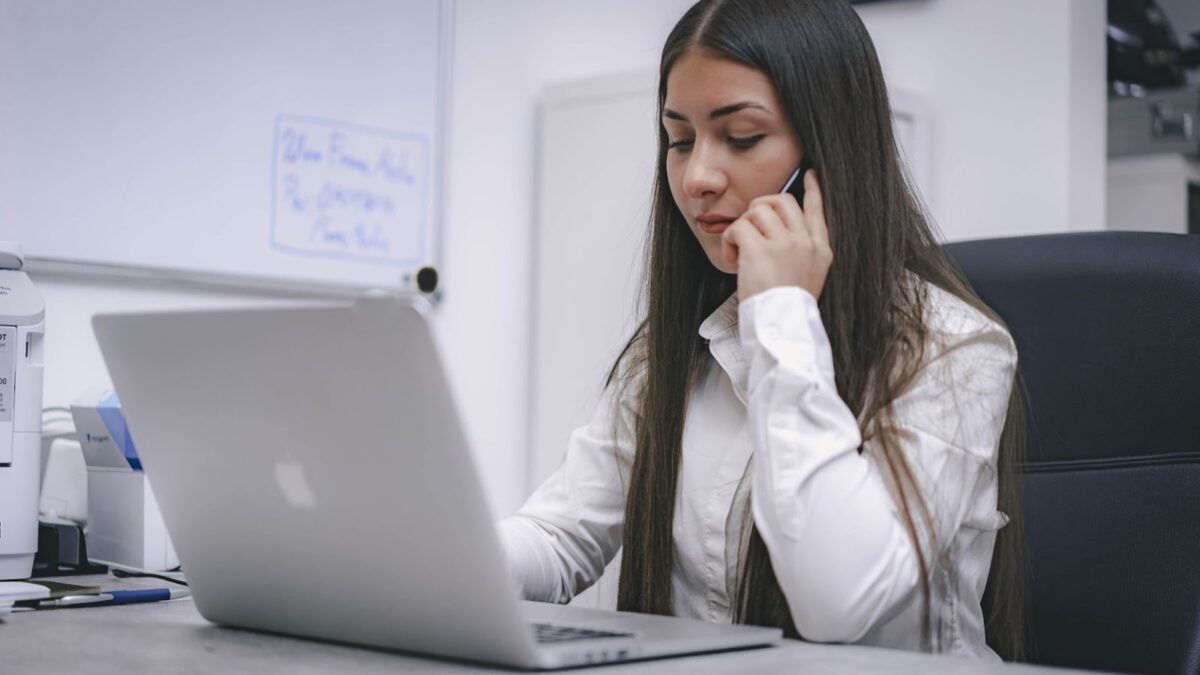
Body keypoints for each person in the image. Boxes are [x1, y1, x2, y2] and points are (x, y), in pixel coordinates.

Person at [498, 0, 1026, 661]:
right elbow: (562, 536)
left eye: (742, 138)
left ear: (830, 152)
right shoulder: (674, 349)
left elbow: (838, 602)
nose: (697, 178)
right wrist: (432, 561)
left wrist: (782, 313)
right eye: (680, 140)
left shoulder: (952, 349)